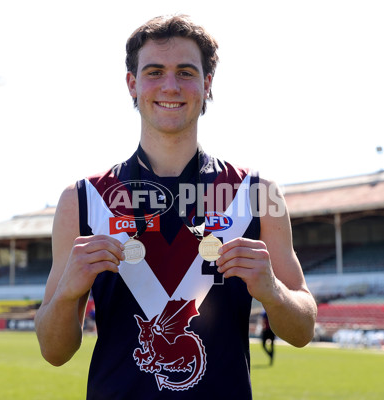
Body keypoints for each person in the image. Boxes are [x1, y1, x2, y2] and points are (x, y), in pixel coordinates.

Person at [35, 14, 317, 399]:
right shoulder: (83, 199)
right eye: (154, 71)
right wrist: (68, 292)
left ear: (207, 84)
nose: (170, 85)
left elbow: (302, 331)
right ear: (132, 85)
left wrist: (273, 291)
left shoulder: (256, 193)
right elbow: (54, 352)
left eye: (186, 72)